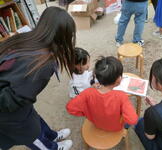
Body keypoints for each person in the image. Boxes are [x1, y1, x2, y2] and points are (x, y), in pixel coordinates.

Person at [0, 7, 76, 150]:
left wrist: (26, 99)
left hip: (17, 97)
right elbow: (11, 100)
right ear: (61, 36)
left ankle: (51, 135)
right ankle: (51, 148)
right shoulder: (43, 64)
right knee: (30, 133)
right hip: (8, 111)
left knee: (34, 118)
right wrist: (24, 99)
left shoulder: (26, 36)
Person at [66, 56, 138, 131]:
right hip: (115, 127)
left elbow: (70, 107)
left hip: (96, 124)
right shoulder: (121, 96)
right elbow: (133, 120)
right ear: (119, 80)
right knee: (128, 124)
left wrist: (87, 113)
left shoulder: (88, 92)